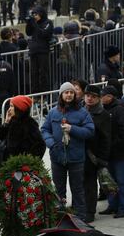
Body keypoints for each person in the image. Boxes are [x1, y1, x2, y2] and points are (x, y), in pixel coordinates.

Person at [41, 82, 95, 221]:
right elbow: (45, 130)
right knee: (59, 190)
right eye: (66, 92)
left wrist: (73, 129)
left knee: (77, 189)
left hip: (76, 157)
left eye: (71, 92)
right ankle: (60, 217)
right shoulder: (53, 112)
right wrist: (51, 144)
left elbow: (90, 131)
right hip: (57, 156)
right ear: (61, 95)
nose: (69, 95)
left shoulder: (82, 112)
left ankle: (80, 219)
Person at [82, 85, 111, 222]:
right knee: (79, 183)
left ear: (98, 98)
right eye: (88, 95)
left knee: (90, 184)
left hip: (93, 155)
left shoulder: (103, 114)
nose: (90, 98)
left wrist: (101, 159)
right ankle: (81, 208)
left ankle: (90, 211)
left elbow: (106, 138)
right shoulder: (80, 110)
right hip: (79, 154)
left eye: (93, 96)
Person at [0, 95, 46, 167]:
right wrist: (6, 122)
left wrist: (28, 163)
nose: (9, 109)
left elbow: (40, 146)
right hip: (7, 166)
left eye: (12, 106)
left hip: (22, 168)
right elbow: (0, 137)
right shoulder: (12, 121)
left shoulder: (30, 124)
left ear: (19, 108)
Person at [99, 86, 124, 218]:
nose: (101, 98)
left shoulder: (119, 110)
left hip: (119, 154)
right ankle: (112, 205)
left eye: (104, 95)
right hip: (107, 154)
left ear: (111, 97)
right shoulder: (103, 110)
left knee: (120, 181)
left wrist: (113, 144)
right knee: (109, 181)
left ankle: (122, 207)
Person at [26, 6, 54, 93]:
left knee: (43, 73)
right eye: (33, 14)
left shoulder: (48, 23)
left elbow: (43, 33)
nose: (35, 16)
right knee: (34, 74)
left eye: (36, 14)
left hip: (43, 51)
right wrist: (29, 23)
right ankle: (35, 93)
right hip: (33, 51)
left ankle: (45, 93)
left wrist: (34, 24)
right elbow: (28, 32)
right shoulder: (34, 23)